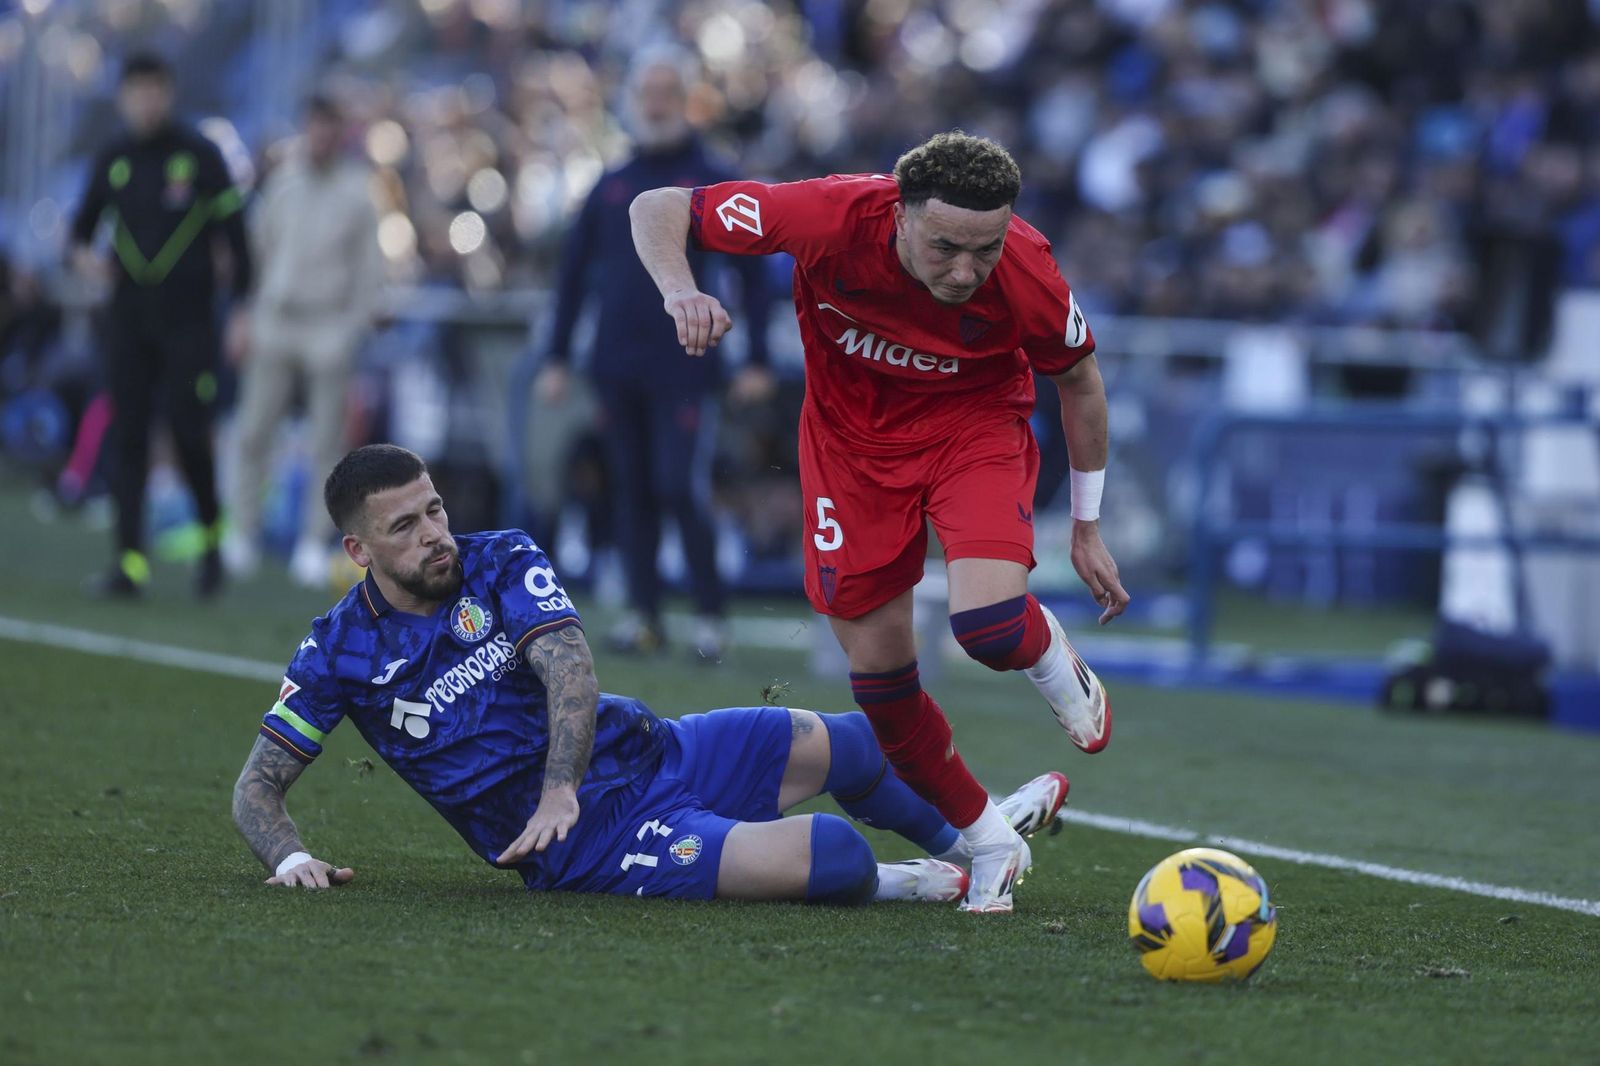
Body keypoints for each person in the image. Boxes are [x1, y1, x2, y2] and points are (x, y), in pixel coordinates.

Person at [629, 131, 1130, 913]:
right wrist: (679, 289)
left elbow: (1082, 381)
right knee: (882, 687)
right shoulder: (827, 216)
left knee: (990, 625)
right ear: (898, 215)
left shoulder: (1027, 268)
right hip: (849, 451)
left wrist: (1088, 525)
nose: (965, 271)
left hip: (974, 430)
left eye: (984, 250)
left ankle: (1052, 659)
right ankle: (990, 839)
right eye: (945, 248)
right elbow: (658, 205)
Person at [232, 444, 1070, 906]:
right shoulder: (335, 652)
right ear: (358, 550)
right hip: (587, 842)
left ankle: (981, 846)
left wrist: (559, 780)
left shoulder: (502, 557)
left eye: (437, 510)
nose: (435, 535)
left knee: (854, 742)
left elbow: (569, 669)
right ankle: (927, 882)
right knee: (838, 856)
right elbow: (256, 789)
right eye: (406, 526)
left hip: (652, 754)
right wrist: (289, 857)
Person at [537, 46, 774, 662]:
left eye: (669, 89)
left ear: (686, 98)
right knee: (631, 487)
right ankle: (645, 615)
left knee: (679, 484)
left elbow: (751, 272)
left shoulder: (715, 174)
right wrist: (557, 356)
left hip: (688, 362)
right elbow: (571, 275)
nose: (658, 101)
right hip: (616, 361)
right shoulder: (610, 183)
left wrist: (756, 360)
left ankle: (709, 616)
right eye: (649, 90)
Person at [68, 51, 252, 599]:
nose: (146, 101)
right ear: (124, 96)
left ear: (169, 93)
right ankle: (129, 563)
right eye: (137, 90)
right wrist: (85, 259)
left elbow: (237, 240)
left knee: (191, 434)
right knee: (127, 436)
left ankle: (212, 545)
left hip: (189, 322)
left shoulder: (199, 155)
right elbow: (79, 231)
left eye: (156, 89)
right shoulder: (114, 157)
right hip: (128, 321)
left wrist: (241, 310)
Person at [222, 94, 385, 588]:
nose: (321, 135)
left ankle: (313, 543)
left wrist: (352, 329)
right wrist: (244, 314)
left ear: (341, 133)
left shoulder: (359, 193)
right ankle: (242, 532)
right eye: (315, 125)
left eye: (330, 127)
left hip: (328, 326)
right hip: (276, 319)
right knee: (253, 430)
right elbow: (256, 256)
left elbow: (369, 272)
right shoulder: (283, 184)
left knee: (325, 444)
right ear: (306, 127)